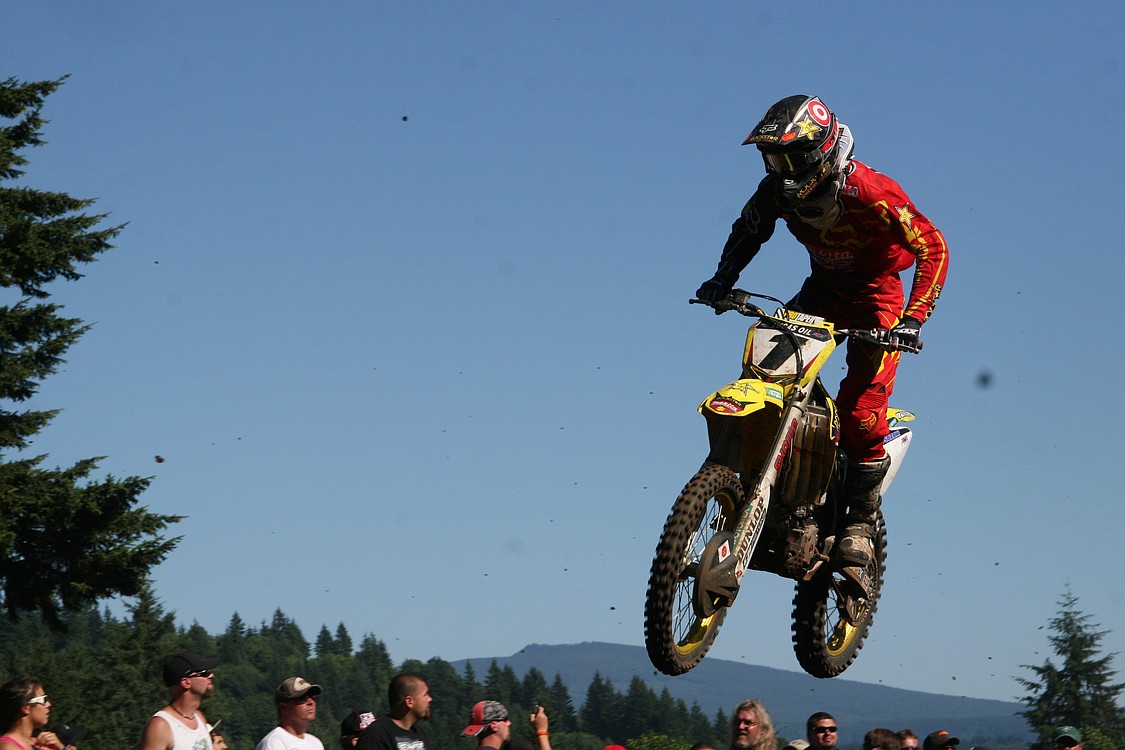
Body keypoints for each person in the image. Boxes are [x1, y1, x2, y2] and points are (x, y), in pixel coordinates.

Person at [696, 94, 949, 574]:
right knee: (770, 371)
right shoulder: (775, 190)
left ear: (825, 152)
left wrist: (914, 319)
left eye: (793, 158)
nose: (783, 169)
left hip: (879, 300)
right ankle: (769, 480)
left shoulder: (872, 192)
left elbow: (932, 245)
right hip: (823, 290)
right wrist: (721, 281)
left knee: (859, 412)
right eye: (773, 158)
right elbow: (750, 229)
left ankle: (858, 522)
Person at [140, 651, 219, 750]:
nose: (211, 675)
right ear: (186, 682)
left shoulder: (199, 718)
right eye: (204, 673)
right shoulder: (160, 727)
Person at [356, 674, 432, 750]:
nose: (430, 699)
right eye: (425, 694)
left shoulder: (419, 733)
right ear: (409, 701)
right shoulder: (376, 736)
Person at [255, 677, 324, 750]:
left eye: (312, 697)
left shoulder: (315, 743)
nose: (310, 702)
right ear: (284, 708)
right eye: (303, 698)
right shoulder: (273, 743)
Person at [0, 677, 64, 750]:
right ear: (26, 707)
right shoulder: (8, 747)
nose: (49, 704)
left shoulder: (38, 744)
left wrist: (61, 747)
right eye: (43, 700)